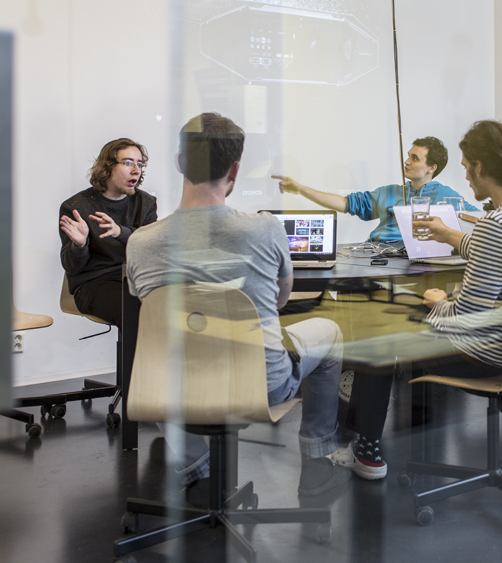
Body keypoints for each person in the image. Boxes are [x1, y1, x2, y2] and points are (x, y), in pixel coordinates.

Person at [332, 120, 502, 479]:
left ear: (480, 167)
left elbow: (466, 316)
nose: (467, 178)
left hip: (488, 351)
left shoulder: (496, 225)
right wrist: (450, 235)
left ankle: (365, 453)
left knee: (380, 333)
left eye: (466, 168)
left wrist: (438, 301)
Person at [126, 113, 348, 498]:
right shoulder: (266, 228)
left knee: (166, 365)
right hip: (259, 387)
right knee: (330, 332)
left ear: (180, 162)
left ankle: (198, 471)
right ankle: (316, 462)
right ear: (235, 169)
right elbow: (279, 301)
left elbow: (151, 310)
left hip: (171, 390)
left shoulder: (139, 243)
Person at [271, 137, 478, 243]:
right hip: (374, 255)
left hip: (410, 264)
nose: (406, 161)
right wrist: (300, 188)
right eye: (408, 155)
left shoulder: (446, 196)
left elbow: (478, 220)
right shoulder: (388, 192)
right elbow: (344, 204)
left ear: (432, 168)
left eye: (414, 158)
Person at [59, 138, 158, 328]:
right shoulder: (77, 207)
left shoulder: (145, 203)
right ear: (108, 167)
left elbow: (152, 247)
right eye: (128, 163)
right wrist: (80, 245)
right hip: (94, 283)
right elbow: (72, 267)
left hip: (137, 280)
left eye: (139, 164)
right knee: (136, 311)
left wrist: (120, 232)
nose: (136, 170)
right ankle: (136, 350)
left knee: (175, 307)